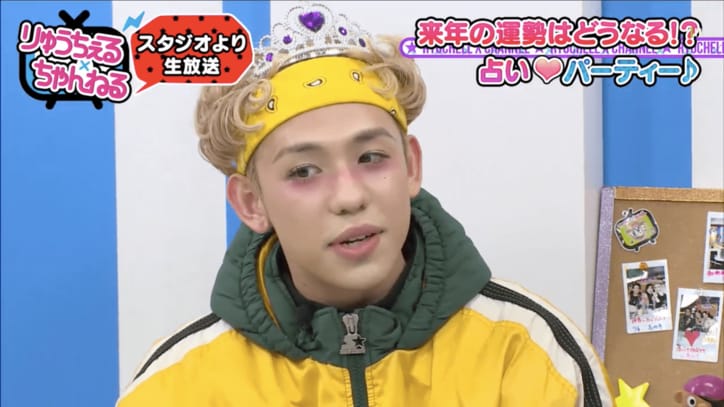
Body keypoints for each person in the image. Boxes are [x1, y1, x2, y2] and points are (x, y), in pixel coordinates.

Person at [115, 2, 613, 406]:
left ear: (411, 166)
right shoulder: (177, 384)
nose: (350, 196)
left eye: (371, 157)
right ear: (251, 202)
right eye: (303, 171)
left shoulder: (527, 349)